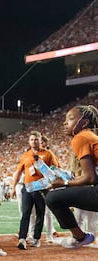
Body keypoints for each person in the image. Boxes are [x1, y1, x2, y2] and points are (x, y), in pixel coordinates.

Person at [45, 104, 98, 248]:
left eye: (71, 118)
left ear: (84, 123)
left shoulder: (81, 137)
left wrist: (64, 183)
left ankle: (80, 237)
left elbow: (90, 178)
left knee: (53, 198)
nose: (65, 122)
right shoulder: (91, 136)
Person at [10, 132, 59, 249]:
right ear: (29, 141)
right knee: (25, 213)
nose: (34, 142)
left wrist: (53, 184)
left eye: (36, 139)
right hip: (27, 187)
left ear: (40, 140)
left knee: (40, 213)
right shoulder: (25, 155)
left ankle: (36, 238)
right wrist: (13, 187)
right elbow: (18, 173)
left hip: (42, 188)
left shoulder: (48, 154)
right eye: (31, 140)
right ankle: (22, 238)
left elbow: (55, 169)